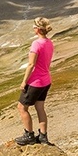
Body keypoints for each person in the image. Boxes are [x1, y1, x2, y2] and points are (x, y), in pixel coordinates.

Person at [15, 17, 55, 145]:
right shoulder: (49, 42)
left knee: (22, 107)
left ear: (37, 29)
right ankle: (43, 136)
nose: (33, 28)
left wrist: (24, 82)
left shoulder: (36, 44)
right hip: (46, 80)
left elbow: (31, 64)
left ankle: (29, 135)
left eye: (34, 26)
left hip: (36, 81)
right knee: (40, 108)